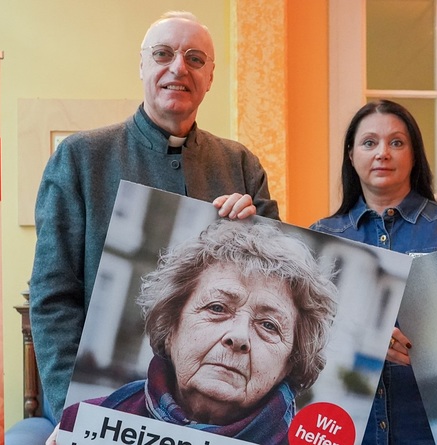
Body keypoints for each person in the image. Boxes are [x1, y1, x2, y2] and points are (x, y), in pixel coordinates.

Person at [29, 10, 279, 430]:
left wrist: (254, 232)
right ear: (142, 65)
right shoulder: (80, 158)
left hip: (221, 416)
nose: (178, 68)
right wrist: (71, 411)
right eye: (163, 54)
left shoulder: (241, 165)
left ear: (210, 77)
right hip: (109, 409)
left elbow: (279, 278)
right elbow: (53, 298)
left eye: (195, 59)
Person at [310, 100, 437, 444]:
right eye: (369, 143)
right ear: (351, 155)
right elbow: (302, 337)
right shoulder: (322, 237)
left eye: (396, 142)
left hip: (431, 430)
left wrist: (428, 349)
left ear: (414, 155)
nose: (383, 153)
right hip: (350, 430)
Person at [58, 220, 338, 445]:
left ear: (289, 364)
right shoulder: (84, 423)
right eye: (217, 308)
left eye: (268, 325)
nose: (238, 337)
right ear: (171, 327)